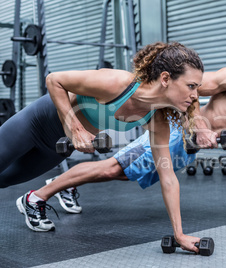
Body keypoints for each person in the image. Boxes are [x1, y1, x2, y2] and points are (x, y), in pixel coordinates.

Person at [17, 38, 226, 254]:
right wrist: (198, 126)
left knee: (119, 172)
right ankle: (39, 195)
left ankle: (64, 184)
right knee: (112, 168)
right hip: (175, 132)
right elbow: (190, 87)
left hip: (188, 150)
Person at [2, 41, 204, 228]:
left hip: (58, 147)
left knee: (4, 180)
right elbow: (54, 80)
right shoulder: (118, 83)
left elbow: (168, 178)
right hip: (36, 123)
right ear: (166, 78)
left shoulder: (156, 120)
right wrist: (76, 129)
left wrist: (179, 234)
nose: (195, 96)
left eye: (197, 88)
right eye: (191, 86)